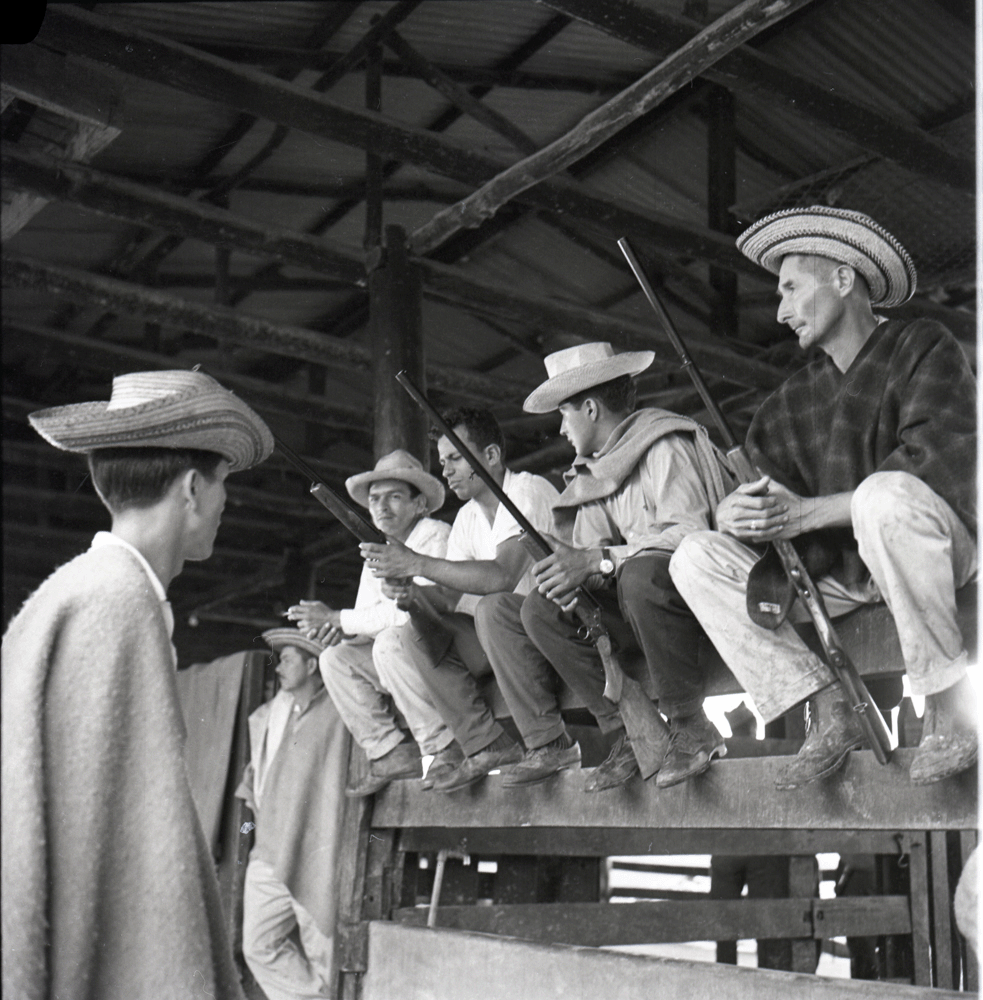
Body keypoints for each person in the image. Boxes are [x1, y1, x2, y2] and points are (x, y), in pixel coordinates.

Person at [670, 205, 977, 789]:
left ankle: (947, 702)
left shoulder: (922, 344)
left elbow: (939, 467)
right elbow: (766, 500)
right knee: (694, 555)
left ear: (843, 279)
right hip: (835, 577)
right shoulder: (790, 400)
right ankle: (832, 707)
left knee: (883, 497)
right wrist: (737, 516)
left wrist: (807, 513)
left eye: (790, 288)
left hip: (935, 554)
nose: (781, 311)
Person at [2, 369, 274, 1000]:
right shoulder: (114, 604)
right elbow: (109, 845)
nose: (225, 504)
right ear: (190, 490)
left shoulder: (89, 591)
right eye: (223, 484)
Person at [478, 342, 735, 791]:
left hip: (699, 600)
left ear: (591, 409)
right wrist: (566, 567)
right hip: (643, 608)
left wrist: (597, 560)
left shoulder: (663, 444)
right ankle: (629, 733)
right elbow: (592, 559)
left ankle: (692, 726)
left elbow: (687, 536)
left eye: (564, 415)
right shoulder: (595, 473)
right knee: (539, 607)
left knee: (641, 573)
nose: (560, 430)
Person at [361, 408, 561, 792]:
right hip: (502, 640)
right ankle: (488, 743)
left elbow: (502, 576)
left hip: (548, 631)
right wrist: (411, 592)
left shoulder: (525, 491)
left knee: (490, 607)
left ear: (490, 456)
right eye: (443, 461)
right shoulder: (469, 516)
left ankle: (542, 741)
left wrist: (417, 561)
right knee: (411, 633)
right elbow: (450, 597)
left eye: (455, 458)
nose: (447, 470)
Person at [287, 450, 459, 796]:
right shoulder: (376, 549)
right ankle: (390, 753)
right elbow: (368, 620)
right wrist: (339, 628)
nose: (382, 507)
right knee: (334, 658)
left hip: (446, 652)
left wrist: (340, 618)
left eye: (395, 497)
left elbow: (411, 612)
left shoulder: (433, 535)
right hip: (404, 659)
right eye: (375, 499)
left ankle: (444, 747)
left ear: (420, 505)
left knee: (389, 641)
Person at [237, 627, 348, 1000]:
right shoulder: (274, 716)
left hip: (313, 852)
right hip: (269, 852)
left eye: (287, 659)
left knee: (326, 957)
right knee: (257, 945)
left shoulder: (336, 711)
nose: (279, 667)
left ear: (312, 664)